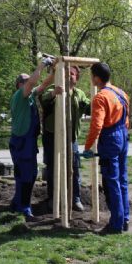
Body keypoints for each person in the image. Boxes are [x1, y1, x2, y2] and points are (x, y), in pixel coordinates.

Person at [83, 62, 130, 235]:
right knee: (122, 180)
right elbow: (126, 118)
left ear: (96, 78)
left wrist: (88, 147)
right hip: (123, 136)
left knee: (112, 182)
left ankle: (116, 224)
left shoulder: (101, 97)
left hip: (111, 139)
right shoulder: (121, 93)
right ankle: (125, 220)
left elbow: (96, 125)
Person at [9, 57, 54, 222]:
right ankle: (25, 209)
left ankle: (17, 203)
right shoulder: (20, 96)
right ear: (20, 84)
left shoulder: (29, 95)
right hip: (21, 143)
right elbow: (35, 81)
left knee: (25, 174)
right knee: (27, 175)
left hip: (27, 142)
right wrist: (42, 64)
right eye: (27, 81)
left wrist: (54, 70)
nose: (32, 82)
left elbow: (43, 85)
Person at [40, 66, 90, 211]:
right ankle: (53, 199)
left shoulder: (79, 94)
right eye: (66, 74)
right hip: (52, 137)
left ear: (77, 78)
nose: (69, 77)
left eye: (72, 74)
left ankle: (75, 199)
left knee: (74, 169)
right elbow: (43, 99)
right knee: (53, 169)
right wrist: (54, 93)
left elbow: (88, 107)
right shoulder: (53, 89)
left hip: (71, 140)